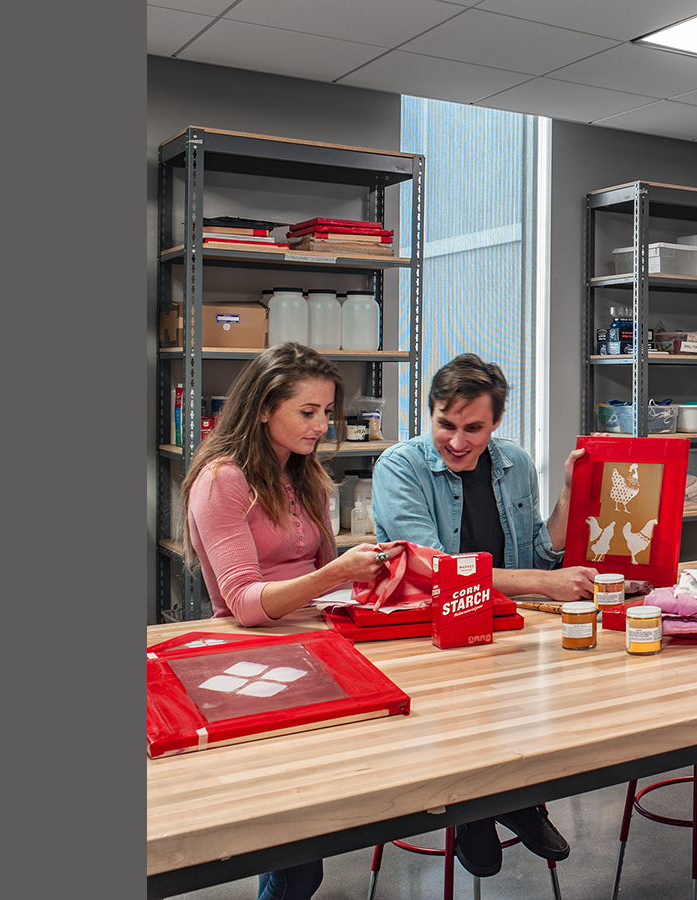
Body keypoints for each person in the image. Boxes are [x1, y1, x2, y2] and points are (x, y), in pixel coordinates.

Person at [182, 342, 404, 900]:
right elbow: (244, 603)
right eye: (308, 412)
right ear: (262, 408)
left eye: (328, 412)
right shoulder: (223, 480)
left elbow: (317, 574)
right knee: (298, 849)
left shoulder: (303, 474)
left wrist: (369, 578)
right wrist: (335, 574)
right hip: (255, 659)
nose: (322, 425)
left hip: (317, 641)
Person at [371, 353, 594, 877]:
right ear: (430, 414)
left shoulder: (513, 462)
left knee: (532, 706)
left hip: (505, 630)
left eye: (474, 428)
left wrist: (568, 490)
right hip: (426, 637)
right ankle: (474, 812)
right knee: (465, 709)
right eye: (446, 424)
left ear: (496, 423)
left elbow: (538, 554)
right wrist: (546, 584)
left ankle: (514, 799)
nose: (457, 440)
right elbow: (433, 569)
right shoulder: (399, 466)